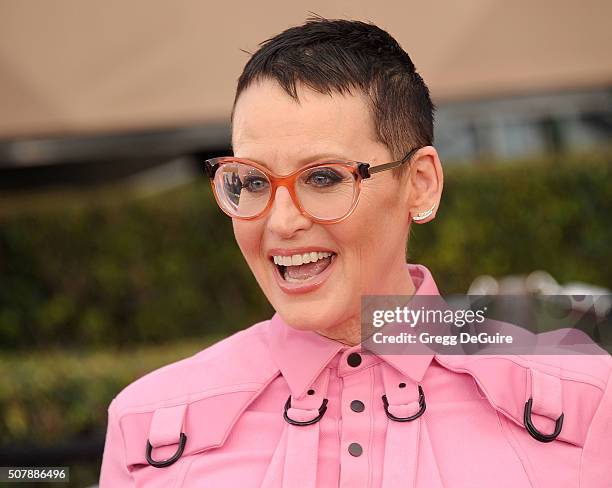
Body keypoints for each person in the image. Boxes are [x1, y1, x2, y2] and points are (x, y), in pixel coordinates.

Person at [99, 16, 612, 487]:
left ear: (421, 184)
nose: (280, 222)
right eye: (252, 181)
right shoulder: (148, 424)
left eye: (323, 178)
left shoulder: (587, 397)